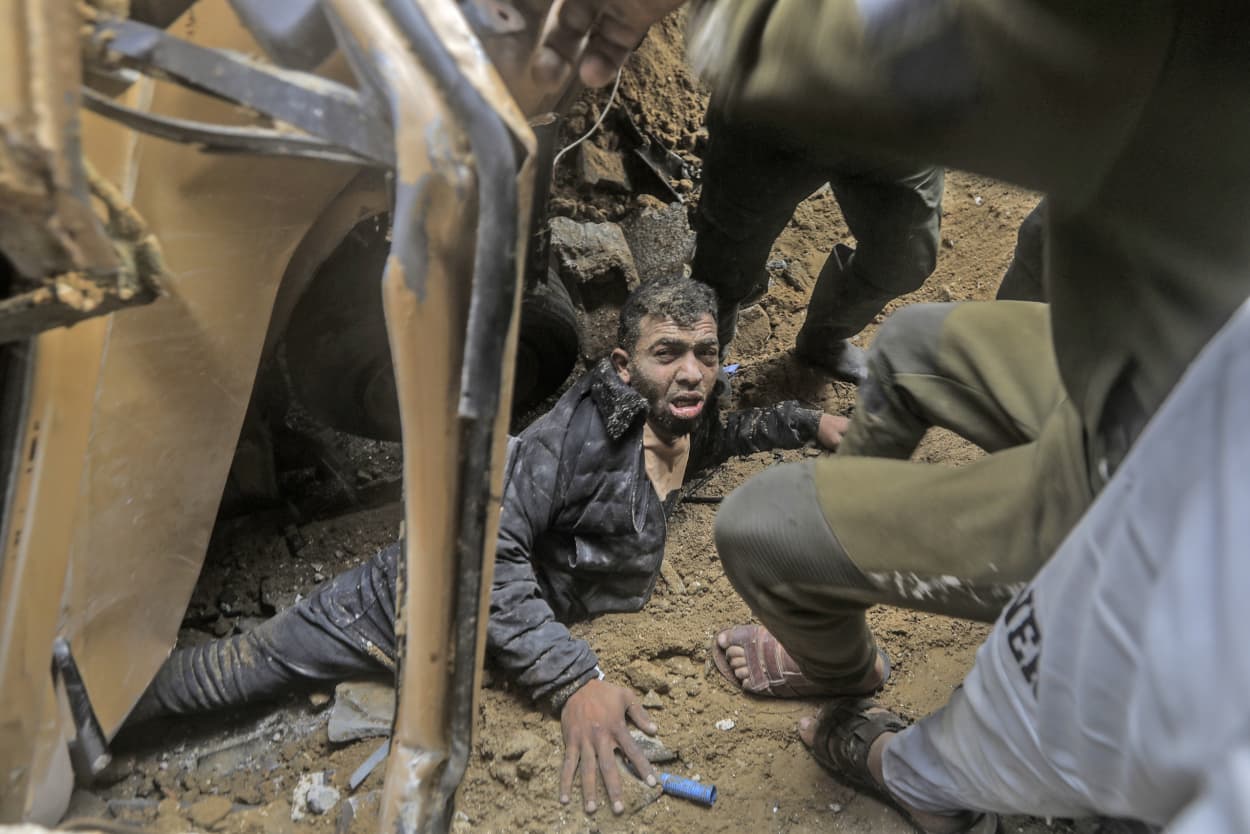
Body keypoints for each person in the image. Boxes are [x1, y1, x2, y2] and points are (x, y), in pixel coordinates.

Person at [531, 0, 1250, 829]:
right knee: (911, 345)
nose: (687, 374)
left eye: (697, 357)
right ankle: (851, 566)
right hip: (1166, 375)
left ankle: (860, 689)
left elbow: (901, 56)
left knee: (759, 527)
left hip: (1162, 495)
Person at [127, 275, 847, 816]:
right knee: (231, 673)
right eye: (669, 354)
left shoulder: (678, 414)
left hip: (505, 618)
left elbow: (722, 436)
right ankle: (71, 707)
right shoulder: (567, 443)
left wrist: (809, 427)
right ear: (624, 367)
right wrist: (572, 680)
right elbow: (487, 557)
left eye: (704, 353)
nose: (692, 371)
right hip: (410, 598)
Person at [692, 100, 943, 382]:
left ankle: (824, 340)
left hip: (897, 115)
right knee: (727, 254)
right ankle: (710, 354)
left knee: (904, 257)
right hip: (776, 105)